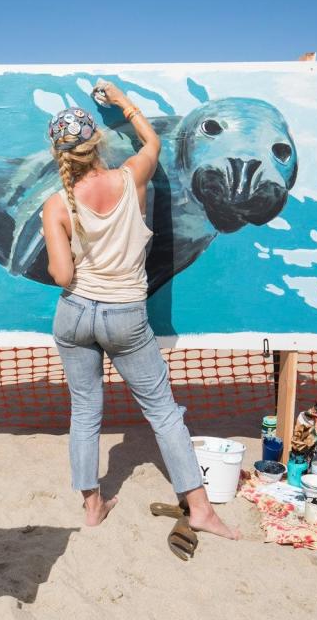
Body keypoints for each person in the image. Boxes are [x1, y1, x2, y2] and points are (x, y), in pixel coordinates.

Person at [41, 82, 240, 541]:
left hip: (74, 316)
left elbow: (61, 276)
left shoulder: (57, 205)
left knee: (85, 410)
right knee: (165, 413)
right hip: (125, 316)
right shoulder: (132, 176)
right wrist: (123, 103)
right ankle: (201, 509)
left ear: (59, 154)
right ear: (98, 143)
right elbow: (153, 142)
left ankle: (93, 505)